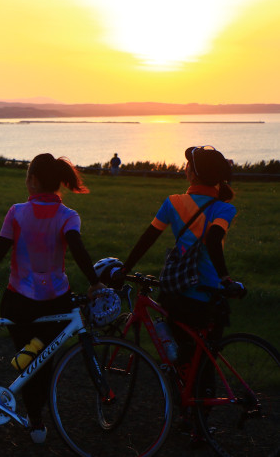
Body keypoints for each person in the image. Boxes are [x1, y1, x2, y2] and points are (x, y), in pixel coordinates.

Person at [0, 153, 105, 445]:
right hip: (56, 301)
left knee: (31, 364)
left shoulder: (17, 212)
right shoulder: (68, 216)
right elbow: (79, 250)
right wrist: (95, 282)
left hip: (18, 301)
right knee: (44, 361)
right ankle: (36, 415)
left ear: (32, 181)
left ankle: (34, 415)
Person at [120, 145, 243, 443]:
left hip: (177, 293)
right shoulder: (224, 208)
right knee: (206, 359)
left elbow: (149, 237)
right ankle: (200, 424)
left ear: (193, 173)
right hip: (210, 295)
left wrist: (124, 268)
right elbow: (214, 240)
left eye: (188, 165)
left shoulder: (173, 202)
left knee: (179, 355)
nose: (184, 168)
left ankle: (186, 415)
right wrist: (226, 278)